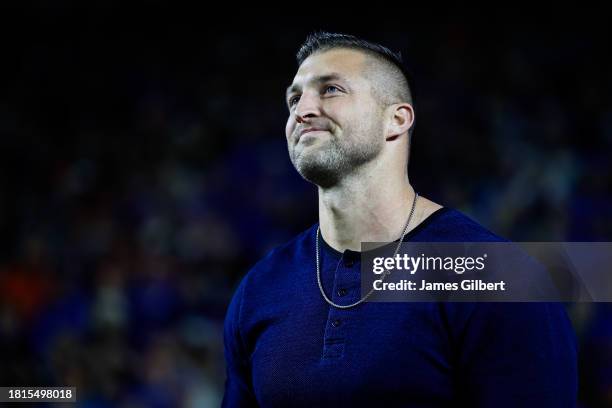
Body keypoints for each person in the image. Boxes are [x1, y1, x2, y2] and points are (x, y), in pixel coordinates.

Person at [222, 32, 577, 407]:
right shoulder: (260, 289)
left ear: (396, 119)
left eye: (331, 90)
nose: (302, 110)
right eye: (294, 98)